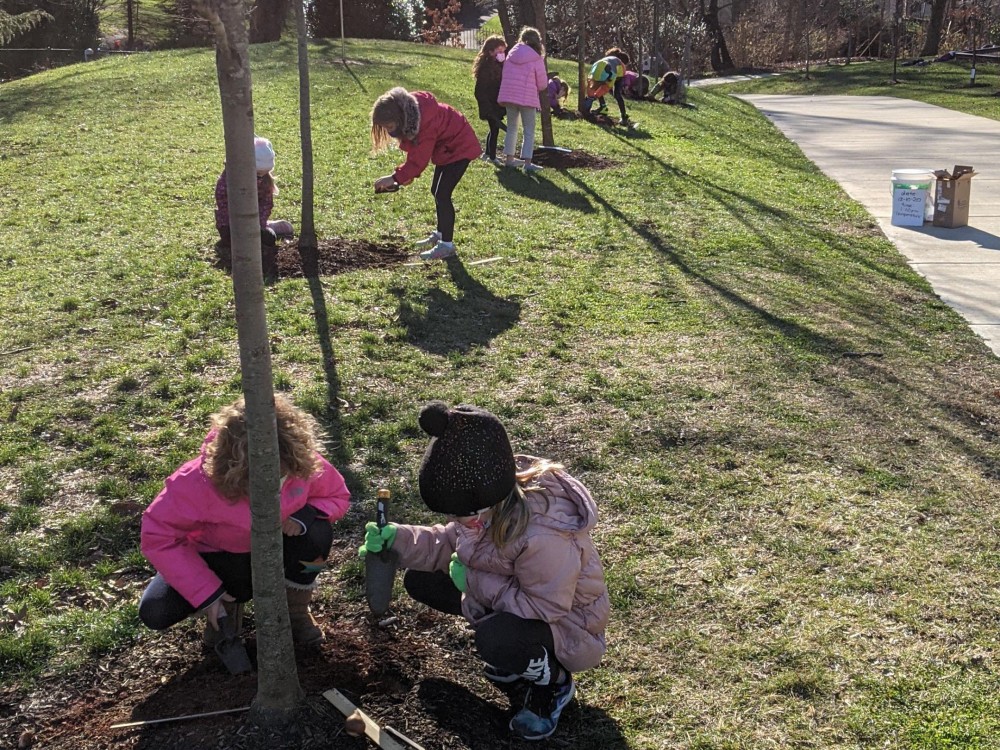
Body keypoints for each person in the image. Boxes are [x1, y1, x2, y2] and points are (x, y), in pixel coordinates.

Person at [359, 401, 609, 741]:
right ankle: (516, 657)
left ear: (486, 500)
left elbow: (547, 606)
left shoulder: (543, 535)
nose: (456, 521)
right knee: (422, 579)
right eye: (452, 515)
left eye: (461, 515)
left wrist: (472, 583)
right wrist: (398, 539)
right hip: (519, 603)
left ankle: (552, 682)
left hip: (567, 627)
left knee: (495, 640)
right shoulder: (482, 507)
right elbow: (448, 542)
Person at [138, 395, 351, 656]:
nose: (274, 486)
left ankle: (294, 610)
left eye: (281, 476)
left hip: (278, 551)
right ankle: (226, 611)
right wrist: (206, 593)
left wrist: (304, 515)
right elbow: (159, 535)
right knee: (156, 611)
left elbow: (336, 495)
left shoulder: (300, 463)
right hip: (222, 561)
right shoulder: (198, 481)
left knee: (318, 534)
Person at [371, 87, 482, 262]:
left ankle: (447, 245)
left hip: (459, 148)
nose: (389, 132)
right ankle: (440, 233)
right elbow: (415, 150)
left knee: (442, 194)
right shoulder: (411, 114)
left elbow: (419, 160)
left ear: (399, 119)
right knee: (436, 191)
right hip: (446, 149)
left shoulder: (425, 123)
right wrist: (405, 176)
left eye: (390, 127)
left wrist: (394, 178)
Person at [214, 136, 293, 250]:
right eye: (258, 173)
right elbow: (222, 203)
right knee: (230, 241)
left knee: (269, 238)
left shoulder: (265, 181)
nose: (261, 177)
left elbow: (266, 204)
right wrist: (234, 223)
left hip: (255, 224)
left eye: (265, 172)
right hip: (230, 224)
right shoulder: (229, 179)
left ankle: (271, 227)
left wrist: (259, 223)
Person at [496, 26, 548, 174]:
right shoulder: (536, 58)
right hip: (527, 98)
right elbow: (542, 84)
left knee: (512, 127)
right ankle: (527, 162)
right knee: (528, 130)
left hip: (509, 96)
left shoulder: (511, 54)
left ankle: (509, 158)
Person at [472, 35, 508, 165]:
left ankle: (488, 153)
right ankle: (492, 156)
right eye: (499, 51)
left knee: (493, 128)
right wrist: (487, 107)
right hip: (490, 104)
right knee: (495, 129)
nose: (502, 54)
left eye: (503, 51)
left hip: (495, 103)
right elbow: (479, 90)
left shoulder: (498, 65)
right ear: (491, 51)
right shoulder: (486, 68)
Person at [582, 48, 632, 126]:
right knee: (597, 87)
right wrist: (590, 98)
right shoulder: (595, 70)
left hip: (619, 73)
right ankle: (603, 108)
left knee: (616, 94)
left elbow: (606, 87)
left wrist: (594, 97)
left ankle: (624, 116)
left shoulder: (613, 72)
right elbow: (591, 84)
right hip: (606, 69)